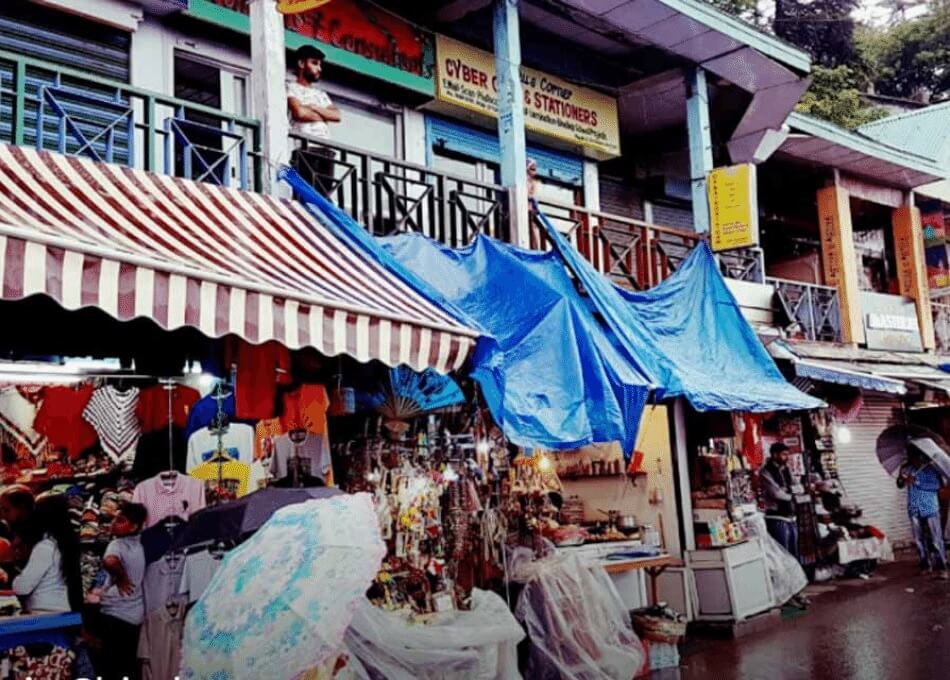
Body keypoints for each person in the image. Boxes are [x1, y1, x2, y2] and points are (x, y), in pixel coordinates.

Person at [93, 501, 147, 680]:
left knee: (110, 668)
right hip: (135, 615)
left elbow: (110, 561)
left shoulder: (117, 544)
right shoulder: (143, 544)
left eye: (121, 520)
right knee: (130, 665)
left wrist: (121, 577)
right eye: (115, 519)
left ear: (134, 527)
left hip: (115, 613)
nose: (113, 523)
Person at [12, 493, 83, 613]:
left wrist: (15, 578)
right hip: (62, 610)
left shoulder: (45, 547)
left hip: (44, 612)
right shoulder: (64, 544)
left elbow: (21, 588)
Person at [287, 44, 342, 196]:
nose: (319, 68)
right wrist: (324, 115)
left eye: (320, 64)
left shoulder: (321, 94)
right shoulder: (290, 88)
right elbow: (299, 112)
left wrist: (314, 108)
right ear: (301, 64)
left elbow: (336, 116)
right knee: (305, 198)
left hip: (326, 149)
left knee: (323, 198)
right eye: (314, 63)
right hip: (306, 148)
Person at [898, 446, 948, 579]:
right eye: (912, 457)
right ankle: (925, 565)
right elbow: (900, 484)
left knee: (936, 540)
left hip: (930, 508)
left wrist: (917, 482)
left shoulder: (931, 469)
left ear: (922, 456)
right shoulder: (907, 468)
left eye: (917, 457)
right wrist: (902, 480)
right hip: (914, 508)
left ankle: (941, 567)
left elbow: (937, 486)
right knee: (919, 540)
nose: (915, 460)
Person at [760, 443, 799, 559]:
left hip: (791, 516)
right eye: (784, 454)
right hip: (776, 518)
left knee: (794, 553)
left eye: (787, 454)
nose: (786, 457)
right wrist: (791, 495)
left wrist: (788, 490)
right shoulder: (765, 471)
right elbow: (776, 493)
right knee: (783, 553)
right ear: (774, 455)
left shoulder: (787, 469)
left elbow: (798, 487)